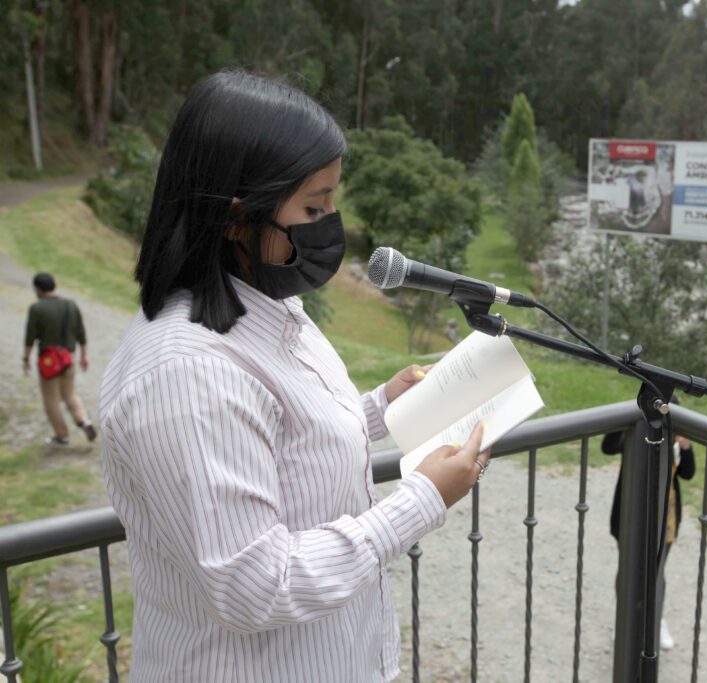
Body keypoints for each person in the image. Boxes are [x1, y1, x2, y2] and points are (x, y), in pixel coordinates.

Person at [99, 70, 490, 682]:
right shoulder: (187, 375)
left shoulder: (267, 304)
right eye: (314, 206)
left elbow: (278, 442)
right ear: (236, 216)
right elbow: (256, 585)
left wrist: (383, 405)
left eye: (334, 199)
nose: (331, 222)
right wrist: (421, 501)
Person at [603, 411, 696, 651]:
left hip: (667, 513)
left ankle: (655, 620)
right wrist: (624, 421)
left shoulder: (676, 440)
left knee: (657, 569)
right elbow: (608, 446)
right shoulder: (637, 433)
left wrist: (684, 445)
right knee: (627, 568)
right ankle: (622, 619)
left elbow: (688, 473)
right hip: (631, 509)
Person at [22, 272, 97, 446]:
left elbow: (30, 337)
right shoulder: (71, 305)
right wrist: (84, 356)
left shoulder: (37, 308)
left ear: (37, 289)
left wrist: (25, 359)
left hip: (48, 361)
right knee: (70, 394)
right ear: (54, 286)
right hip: (68, 358)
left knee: (51, 399)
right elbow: (81, 333)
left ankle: (62, 436)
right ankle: (84, 421)